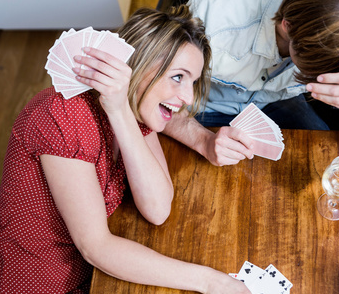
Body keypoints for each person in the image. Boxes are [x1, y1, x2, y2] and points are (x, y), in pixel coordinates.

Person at [0, 5, 250, 294]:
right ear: (138, 67)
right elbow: (96, 247)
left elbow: (157, 209)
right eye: (178, 77)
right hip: (45, 284)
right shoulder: (63, 115)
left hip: (97, 276)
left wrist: (120, 112)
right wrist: (212, 281)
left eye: (192, 82)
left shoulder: (134, 109)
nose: (189, 99)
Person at [162, 0, 339, 166]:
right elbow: (147, 91)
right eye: (315, 69)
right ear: (288, 26)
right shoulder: (213, 19)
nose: (334, 79)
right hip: (199, 108)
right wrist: (202, 141)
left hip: (274, 103)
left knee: (328, 160)